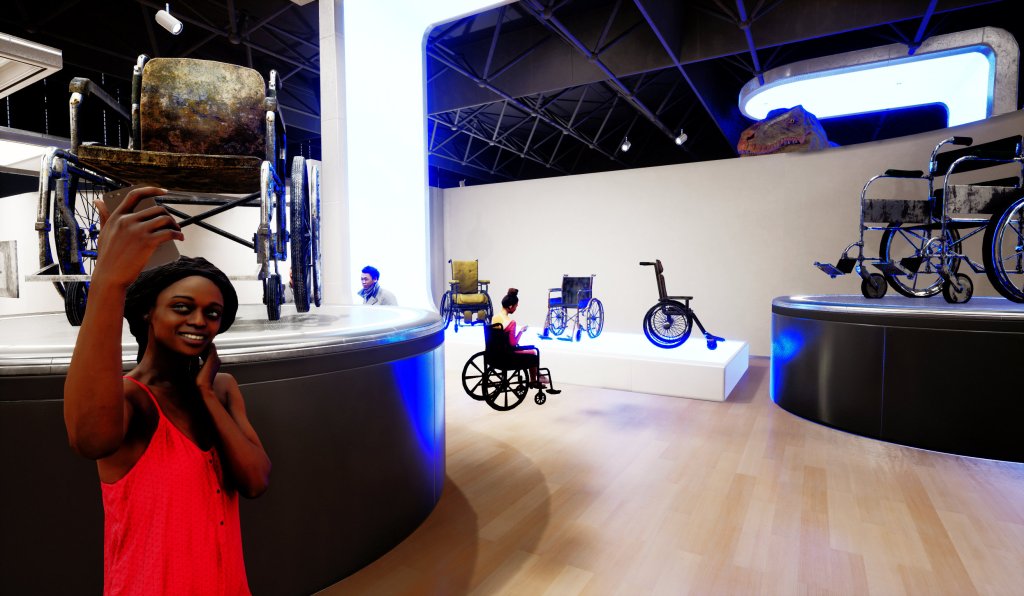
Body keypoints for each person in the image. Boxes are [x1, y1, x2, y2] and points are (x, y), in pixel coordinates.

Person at [63, 186, 271, 595]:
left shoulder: (221, 389)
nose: (200, 321)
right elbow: (89, 439)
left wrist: (206, 394)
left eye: (212, 313)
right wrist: (108, 283)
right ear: (148, 313)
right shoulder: (132, 400)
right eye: (182, 307)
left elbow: (255, 481)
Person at [492, 287, 547, 387]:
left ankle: (537, 374)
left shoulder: (495, 318)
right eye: (516, 306)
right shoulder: (511, 322)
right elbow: (513, 343)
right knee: (533, 352)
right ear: (510, 306)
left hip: (494, 353)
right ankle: (533, 380)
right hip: (507, 355)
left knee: (528, 351)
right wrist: (521, 331)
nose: (516, 308)